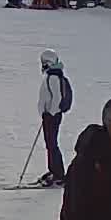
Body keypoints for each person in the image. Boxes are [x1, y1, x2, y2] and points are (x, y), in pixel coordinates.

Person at [36, 50, 72, 188]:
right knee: (50, 145)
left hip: (52, 116)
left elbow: (56, 98)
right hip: (51, 116)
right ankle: (54, 171)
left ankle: (58, 174)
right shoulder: (52, 76)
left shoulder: (53, 78)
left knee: (52, 145)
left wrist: (50, 113)